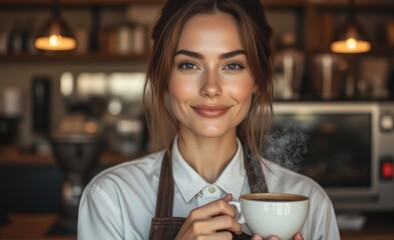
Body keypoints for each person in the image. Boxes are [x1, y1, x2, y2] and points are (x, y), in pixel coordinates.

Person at [78, 0, 340, 239]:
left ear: (258, 79)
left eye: (233, 65)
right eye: (189, 65)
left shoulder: (310, 204)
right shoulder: (112, 199)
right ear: (163, 77)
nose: (211, 88)